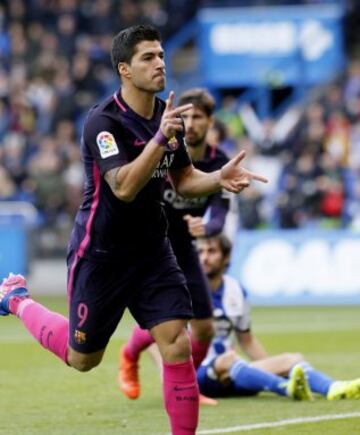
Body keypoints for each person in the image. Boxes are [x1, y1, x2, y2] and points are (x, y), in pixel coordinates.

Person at [0, 25, 268, 435]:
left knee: (177, 344)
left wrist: (217, 178)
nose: (160, 63)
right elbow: (123, 186)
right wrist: (160, 139)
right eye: (149, 57)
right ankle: (17, 299)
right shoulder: (102, 122)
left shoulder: (167, 116)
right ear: (125, 69)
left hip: (152, 252)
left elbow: (182, 180)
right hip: (101, 254)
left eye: (161, 55)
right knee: (82, 358)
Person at [118, 88, 231, 406]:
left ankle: (189, 384)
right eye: (187, 115)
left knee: (206, 329)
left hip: (186, 248)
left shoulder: (219, 161)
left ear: (210, 122)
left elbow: (220, 212)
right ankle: (129, 356)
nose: (191, 123)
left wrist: (206, 227)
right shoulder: (164, 151)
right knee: (172, 321)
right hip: (155, 247)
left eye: (198, 117)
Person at [195, 234, 360, 401]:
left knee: (292, 360)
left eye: (211, 251)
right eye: (200, 252)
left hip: (234, 372)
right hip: (198, 375)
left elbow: (247, 340)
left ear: (226, 257)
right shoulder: (187, 290)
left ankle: (333, 388)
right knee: (228, 359)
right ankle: (286, 388)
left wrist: (270, 367)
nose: (204, 258)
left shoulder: (236, 290)